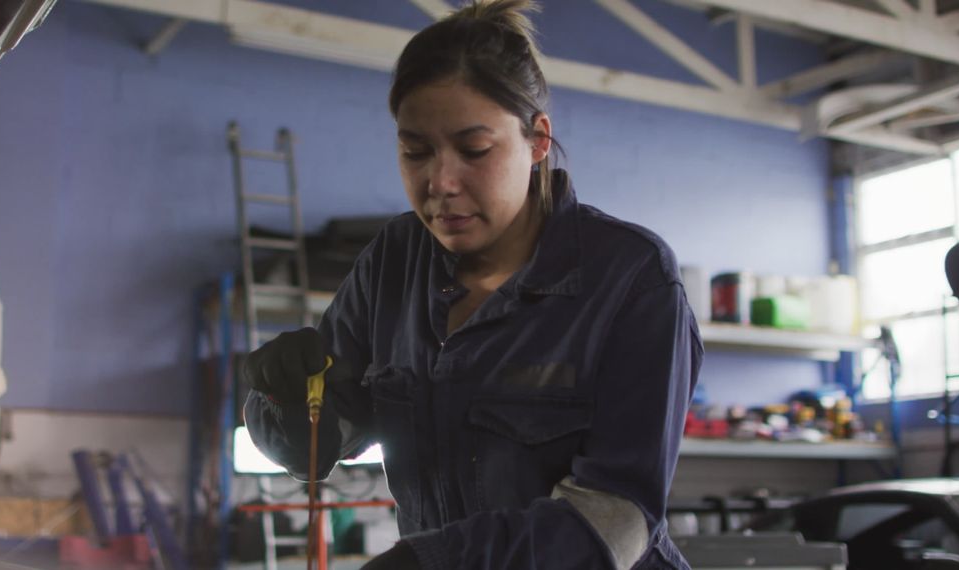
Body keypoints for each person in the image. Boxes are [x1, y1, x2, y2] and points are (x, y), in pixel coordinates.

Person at [243, 1, 703, 568]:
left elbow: (617, 519)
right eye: (415, 151)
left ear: (538, 140)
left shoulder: (630, 278)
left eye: (474, 150)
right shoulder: (393, 262)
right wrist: (284, 399)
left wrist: (431, 562)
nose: (440, 181)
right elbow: (317, 446)